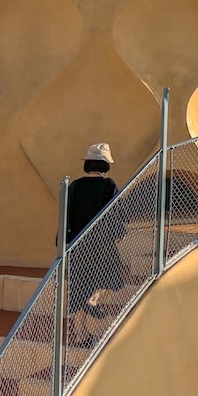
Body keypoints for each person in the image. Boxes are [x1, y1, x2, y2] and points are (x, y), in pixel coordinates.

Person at [64, 143, 125, 347]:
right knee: (109, 276)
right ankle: (91, 301)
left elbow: (67, 215)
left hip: (78, 244)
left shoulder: (74, 186)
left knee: (78, 288)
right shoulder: (108, 186)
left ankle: (80, 336)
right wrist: (119, 233)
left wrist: (65, 240)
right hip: (101, 244)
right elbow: (115, 212)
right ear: (105, 165)